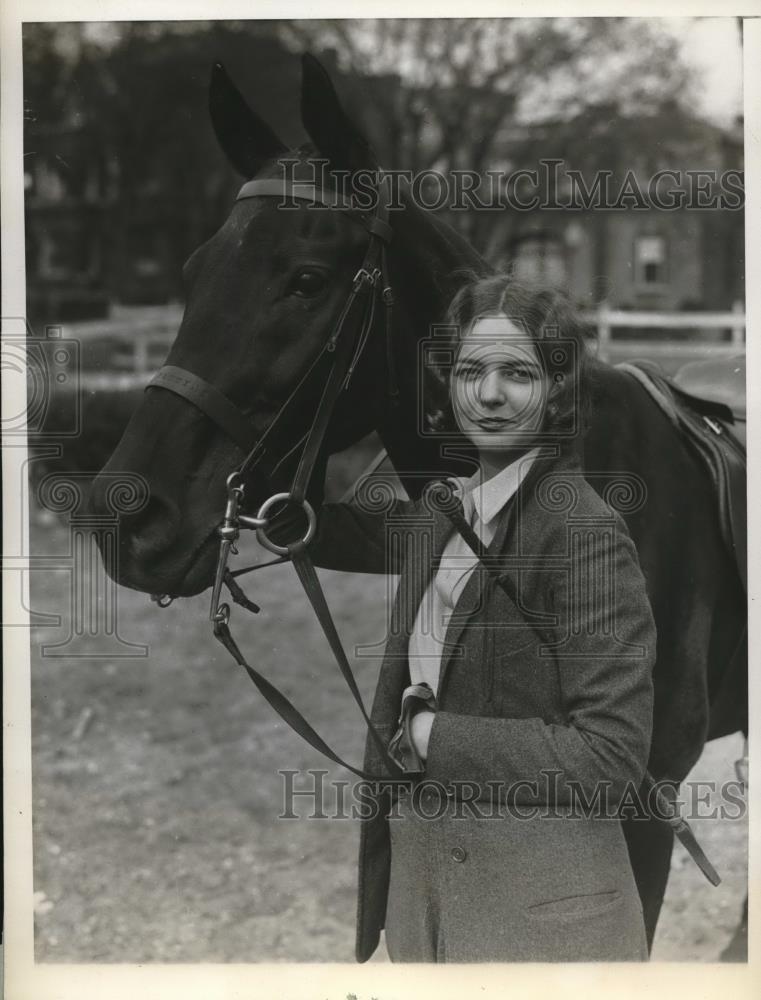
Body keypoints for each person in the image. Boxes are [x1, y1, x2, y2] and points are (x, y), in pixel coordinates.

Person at [272, 276, 656, 963]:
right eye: (470, 372)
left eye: (517, 373)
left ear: (558, 390)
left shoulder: (584, 534)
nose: (489, 395)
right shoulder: (443, 512)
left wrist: (428, 736)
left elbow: (611, 760)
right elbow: (330, 529)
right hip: (426, 913)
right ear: (447, 385)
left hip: (545, 929)